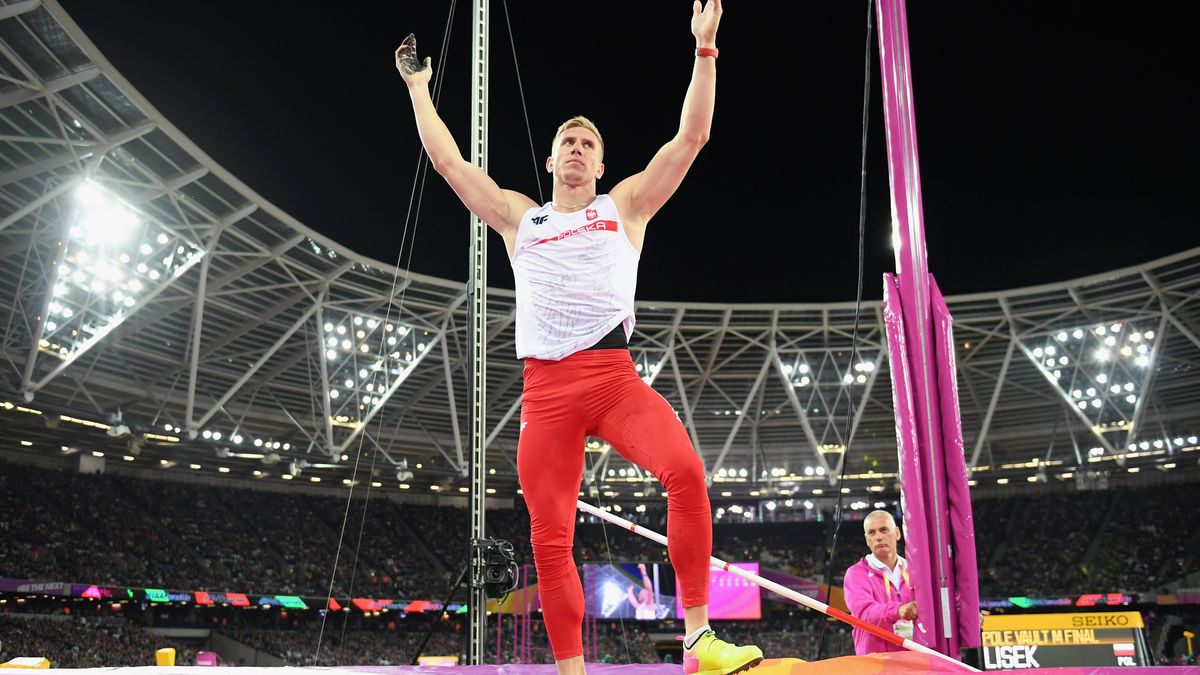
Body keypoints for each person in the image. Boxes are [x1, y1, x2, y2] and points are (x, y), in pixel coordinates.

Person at [395, 2, 763, 674]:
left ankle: (701, 639)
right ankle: (572, 671)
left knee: (685, 473)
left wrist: (704, 50)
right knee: (548, 538)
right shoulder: (518, 218)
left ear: (600, 163)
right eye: (567, 140)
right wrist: (420, 89)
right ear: (550, 157)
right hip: (548, 392)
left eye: (588, 143)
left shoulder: (624, 206)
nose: (576, 148)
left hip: (614, 379)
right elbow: (449, 163)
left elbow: (691, 138)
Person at [842, 510, 920, 655]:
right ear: (867, 540)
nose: (878, 537)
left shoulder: (917, 570)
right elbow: (864, 613)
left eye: (883, 530)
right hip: (877, 663)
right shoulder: (856, 574)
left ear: (897, 533)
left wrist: (960, 611)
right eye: (872, 533)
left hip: (915, 660)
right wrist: (898, 610)